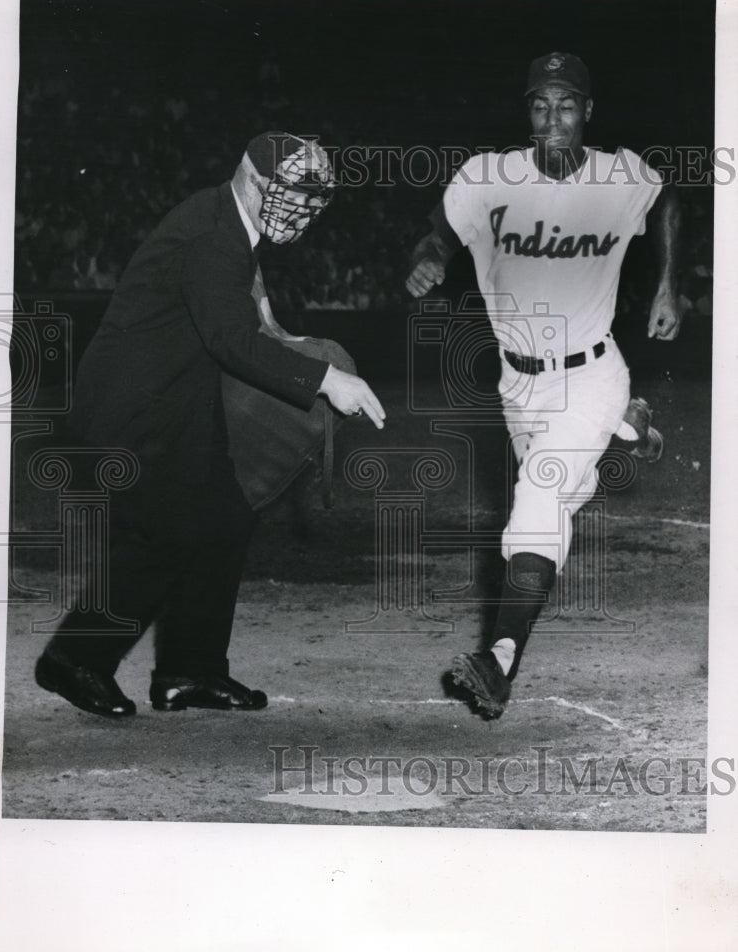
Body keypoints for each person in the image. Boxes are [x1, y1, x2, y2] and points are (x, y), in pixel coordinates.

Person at [35, 131, 385, 719]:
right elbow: (231, 340)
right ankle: (73, 660)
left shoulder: (228, 221)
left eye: (313, 197)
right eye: (295, 192)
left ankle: (189, 672)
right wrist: (327, 379)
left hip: (179, 403)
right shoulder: (214, 234)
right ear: (254, 180)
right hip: (133, 410)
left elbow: (233, 331)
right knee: (166, 534)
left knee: (225, 516)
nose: (304, 207)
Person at [405, 52, 681, 719]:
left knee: (540, 499)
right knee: (563, 498)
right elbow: (438, 236)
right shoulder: (487, 177)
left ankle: (498, 662)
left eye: (566, 103)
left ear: (588, 111)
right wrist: (427, 260)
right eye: (540, 104)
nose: (552, 117)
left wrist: (672, 279)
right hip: (518, 387)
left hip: (590, 372)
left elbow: (668, 196)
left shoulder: (619, 174)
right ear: (527, 112)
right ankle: (628, 425)